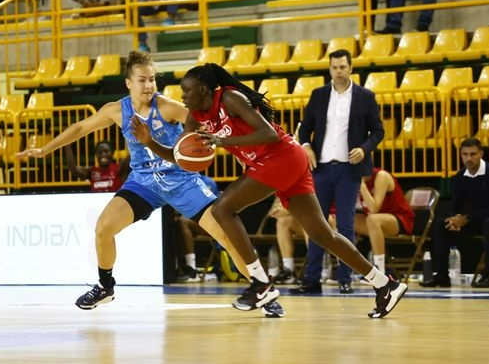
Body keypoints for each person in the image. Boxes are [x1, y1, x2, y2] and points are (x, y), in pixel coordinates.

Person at [16, 52, 282, 314]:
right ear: (128, 83)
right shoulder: (116, 110)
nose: (149, 85)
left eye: (152, 79)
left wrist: (241, 157)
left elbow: (211, 124)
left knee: (226, 234)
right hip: (143, 183)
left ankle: (263, 291)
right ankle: (105, 287)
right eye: (142, 80)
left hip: (182, 181)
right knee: (103, 228)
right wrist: (44, 150)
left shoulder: (167, 106)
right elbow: (79, 129)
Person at [137, 62, 406, 317]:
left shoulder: (230, 99)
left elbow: (270, 134)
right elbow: (181, 156)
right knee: (322, 234)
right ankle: (385, 284)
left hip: (283, 155)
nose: (181, 95)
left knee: (223, 208)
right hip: (274, 163)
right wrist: (150, 142)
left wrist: (222, 140)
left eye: (186, 90)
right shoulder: (196, 118)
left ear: (204, 90)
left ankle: (261, 282)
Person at [294, 49, 385, 295]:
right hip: (321, 168)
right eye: (335, 67)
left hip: (349, 168)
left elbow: (378, 131)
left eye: (343, 67)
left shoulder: (365, 96)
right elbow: (305, 129)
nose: (339, 72)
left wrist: (364, 149)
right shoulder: (319, 94)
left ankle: (346, 277)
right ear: (330, 69)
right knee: (316, 224)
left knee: (345, 224)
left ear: (351, 68)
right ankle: (311, 279)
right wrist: (306, 146)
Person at [421, 137, 489, 289]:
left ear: (481, 154)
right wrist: (454, 218)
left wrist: (466, 218)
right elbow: (454, 204)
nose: (468, 158)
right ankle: (441, 276)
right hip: (475, 220)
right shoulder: (460, 176)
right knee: (441, 224)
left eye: (473, 154)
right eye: (465, 154)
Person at [357, 167, 415, 275]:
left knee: (373, 220)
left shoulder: (381, 176)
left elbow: (374, 209)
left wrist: (362, 186)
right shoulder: (351, 178)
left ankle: (380, 270)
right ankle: (345, 268)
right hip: (374, 221)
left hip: (400, 219)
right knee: (345, 220)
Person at [269, 196, 308, 284]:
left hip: (325, 220)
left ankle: (314, 268)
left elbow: (312, 208)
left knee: (308, 222)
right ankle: (288, 271)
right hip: (299, 221)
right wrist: (277, 209)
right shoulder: (284, 187)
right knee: (282, 221)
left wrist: (288, 210)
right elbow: (272, 212)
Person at [63, 139, 128, 193]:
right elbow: (73, 169)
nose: (103, 154)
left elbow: (131, 158)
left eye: (106, 151)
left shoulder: (119, 168)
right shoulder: (91, 171)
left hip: (115, 205)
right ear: (96, 154)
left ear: (112, 153)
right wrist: (67, 143)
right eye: (100, 152)